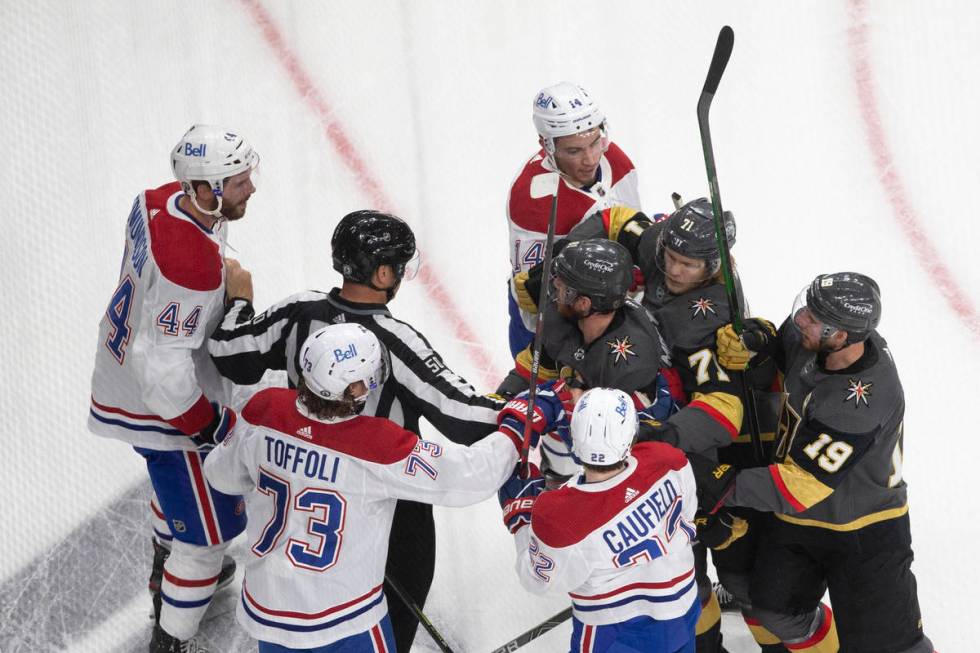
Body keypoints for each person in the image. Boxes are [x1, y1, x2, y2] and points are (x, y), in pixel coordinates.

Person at [207, 210, 505, 651]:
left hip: (299, 476)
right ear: (384, 273)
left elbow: (230, 354)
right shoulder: (395, 340)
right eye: (399, 266)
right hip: (388, 488)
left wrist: (237, 303)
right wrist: (527, 408)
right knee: (390, 616)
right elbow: (468, 419)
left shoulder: (297, 311)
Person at [518, 199, 785, 651]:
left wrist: (663, 438)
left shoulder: (712, 315)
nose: (673, 271)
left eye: (687, 264)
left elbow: (724, 409)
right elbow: (614, 218)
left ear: (714, 265)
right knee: (686, 569)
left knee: (743, 576)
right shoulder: (662, 244)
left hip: (706, 447)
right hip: (655, 434)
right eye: (669, 258)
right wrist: (560, 265)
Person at [203, 323, 563, 652]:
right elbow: (471, 476)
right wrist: (518, 427)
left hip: (269, 612)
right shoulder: (375, 444)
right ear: (350, 388)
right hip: (344, 620)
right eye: (367, 377)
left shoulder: (264, 410)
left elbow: (220, 474)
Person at [87, 124, 259, 651]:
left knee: (179, 498)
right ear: (203, 189)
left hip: (123, 376)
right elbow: (163, 373)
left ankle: (169, 564)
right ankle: (170, 637)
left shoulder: (156, 199)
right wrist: (208, 428)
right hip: (163, 409)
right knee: (207, 544)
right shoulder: (190, 267)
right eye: (238, 182)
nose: (250, 188)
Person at [703, 272, 936, 653]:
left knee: (890, 645)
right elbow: (777, 359)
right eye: (806, 308)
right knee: (775, 609)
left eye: (813, 319)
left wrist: (722, 484)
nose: (800, 321)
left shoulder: (860, 402)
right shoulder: (817, 342)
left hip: (865, 527)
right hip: (801, 519)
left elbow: (797, 486)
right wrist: (757, 341)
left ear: (841, 336)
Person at [498, 387, 700, 652]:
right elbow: (688, 510)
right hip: (682, 611)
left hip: (615, 632)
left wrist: (522, 519)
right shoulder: (668, 459)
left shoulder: (559, 515)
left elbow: (537, 580)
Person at [496, 238, 676, 487]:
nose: (554, 287)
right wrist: (502, 398)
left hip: (630, 464)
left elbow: (621, 455)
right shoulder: (566, 317)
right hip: (589, 444)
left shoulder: (626, 367)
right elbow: (537, 368)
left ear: (583, 303)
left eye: (563, 287)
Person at [506, 81, 641, 357]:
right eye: (574, 151)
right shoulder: (531, 200)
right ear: (547, 145)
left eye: (595, 143)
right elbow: (535, 299)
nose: (591, 159)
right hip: (558, 327)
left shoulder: (616, 161)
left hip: (610, 307)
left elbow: (633, 226)